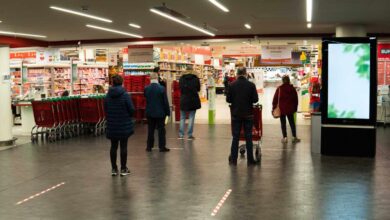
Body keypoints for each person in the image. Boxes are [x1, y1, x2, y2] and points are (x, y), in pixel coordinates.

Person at [227, 67, 259, 166]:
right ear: (245, 74)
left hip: (236, 114)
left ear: (237, 74)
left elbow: (228, 100)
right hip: (248, 114)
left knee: (235, 137)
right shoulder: (251, 85)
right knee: (248, 137)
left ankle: (233, 160)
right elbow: (255, 100)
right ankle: (250, 160)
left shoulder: (232, 85)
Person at [104, 74, 135, 176]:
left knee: (113, 146)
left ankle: (113, 169)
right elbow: (131, 110)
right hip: (123, 124)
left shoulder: (108, 95)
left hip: (112, 124)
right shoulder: (125, 95)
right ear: (122, 82)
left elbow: (106, 109)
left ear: (112, 83)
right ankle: (123, 169)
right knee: (123, 146)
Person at [144, 72, 170, 152]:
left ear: (150, 79)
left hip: (150, 112)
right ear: (157, 78)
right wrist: (167, 112)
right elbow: (165, 102)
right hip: (160, 113)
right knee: (161, 130)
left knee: (150, 130)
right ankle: (162, 147)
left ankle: (149, 147)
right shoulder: (162, 88)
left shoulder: (146, 88)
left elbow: (146, 99)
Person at [272, 75, 300, 144]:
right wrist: (295, 108)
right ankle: (294, 137)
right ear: (289, 80)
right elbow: (296, 100)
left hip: (282, 109)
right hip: (290, 109)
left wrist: (273, 108)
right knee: (292, 123)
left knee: (283, 123)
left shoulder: (279, 89)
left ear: (282, 81)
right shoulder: (292, 89)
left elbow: (275, 100)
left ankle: (285, 138)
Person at [179, 65, 201, 140]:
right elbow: (198, 89)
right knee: (191, 117)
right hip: (193, 99)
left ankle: (181, 135)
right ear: (192, 70)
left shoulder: (181, 78)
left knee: (182, 117)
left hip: (184, 99)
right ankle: (189, 135)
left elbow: (180, 88)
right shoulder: (195, 78)